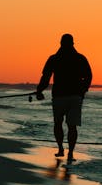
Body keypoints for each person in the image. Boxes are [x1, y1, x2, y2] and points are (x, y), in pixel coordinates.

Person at [36, 33, 92, 162]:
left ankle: (61, 149)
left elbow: (46, 77)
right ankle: (70, 153)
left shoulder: (54, 58)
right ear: (73, 43)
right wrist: (82, 91)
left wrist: (39, 91)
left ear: (61, 43)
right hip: (75, 96)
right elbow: (88, 76)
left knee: (58, 123)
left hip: (59, 96)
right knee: (72, 126)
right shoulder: (80, 58)